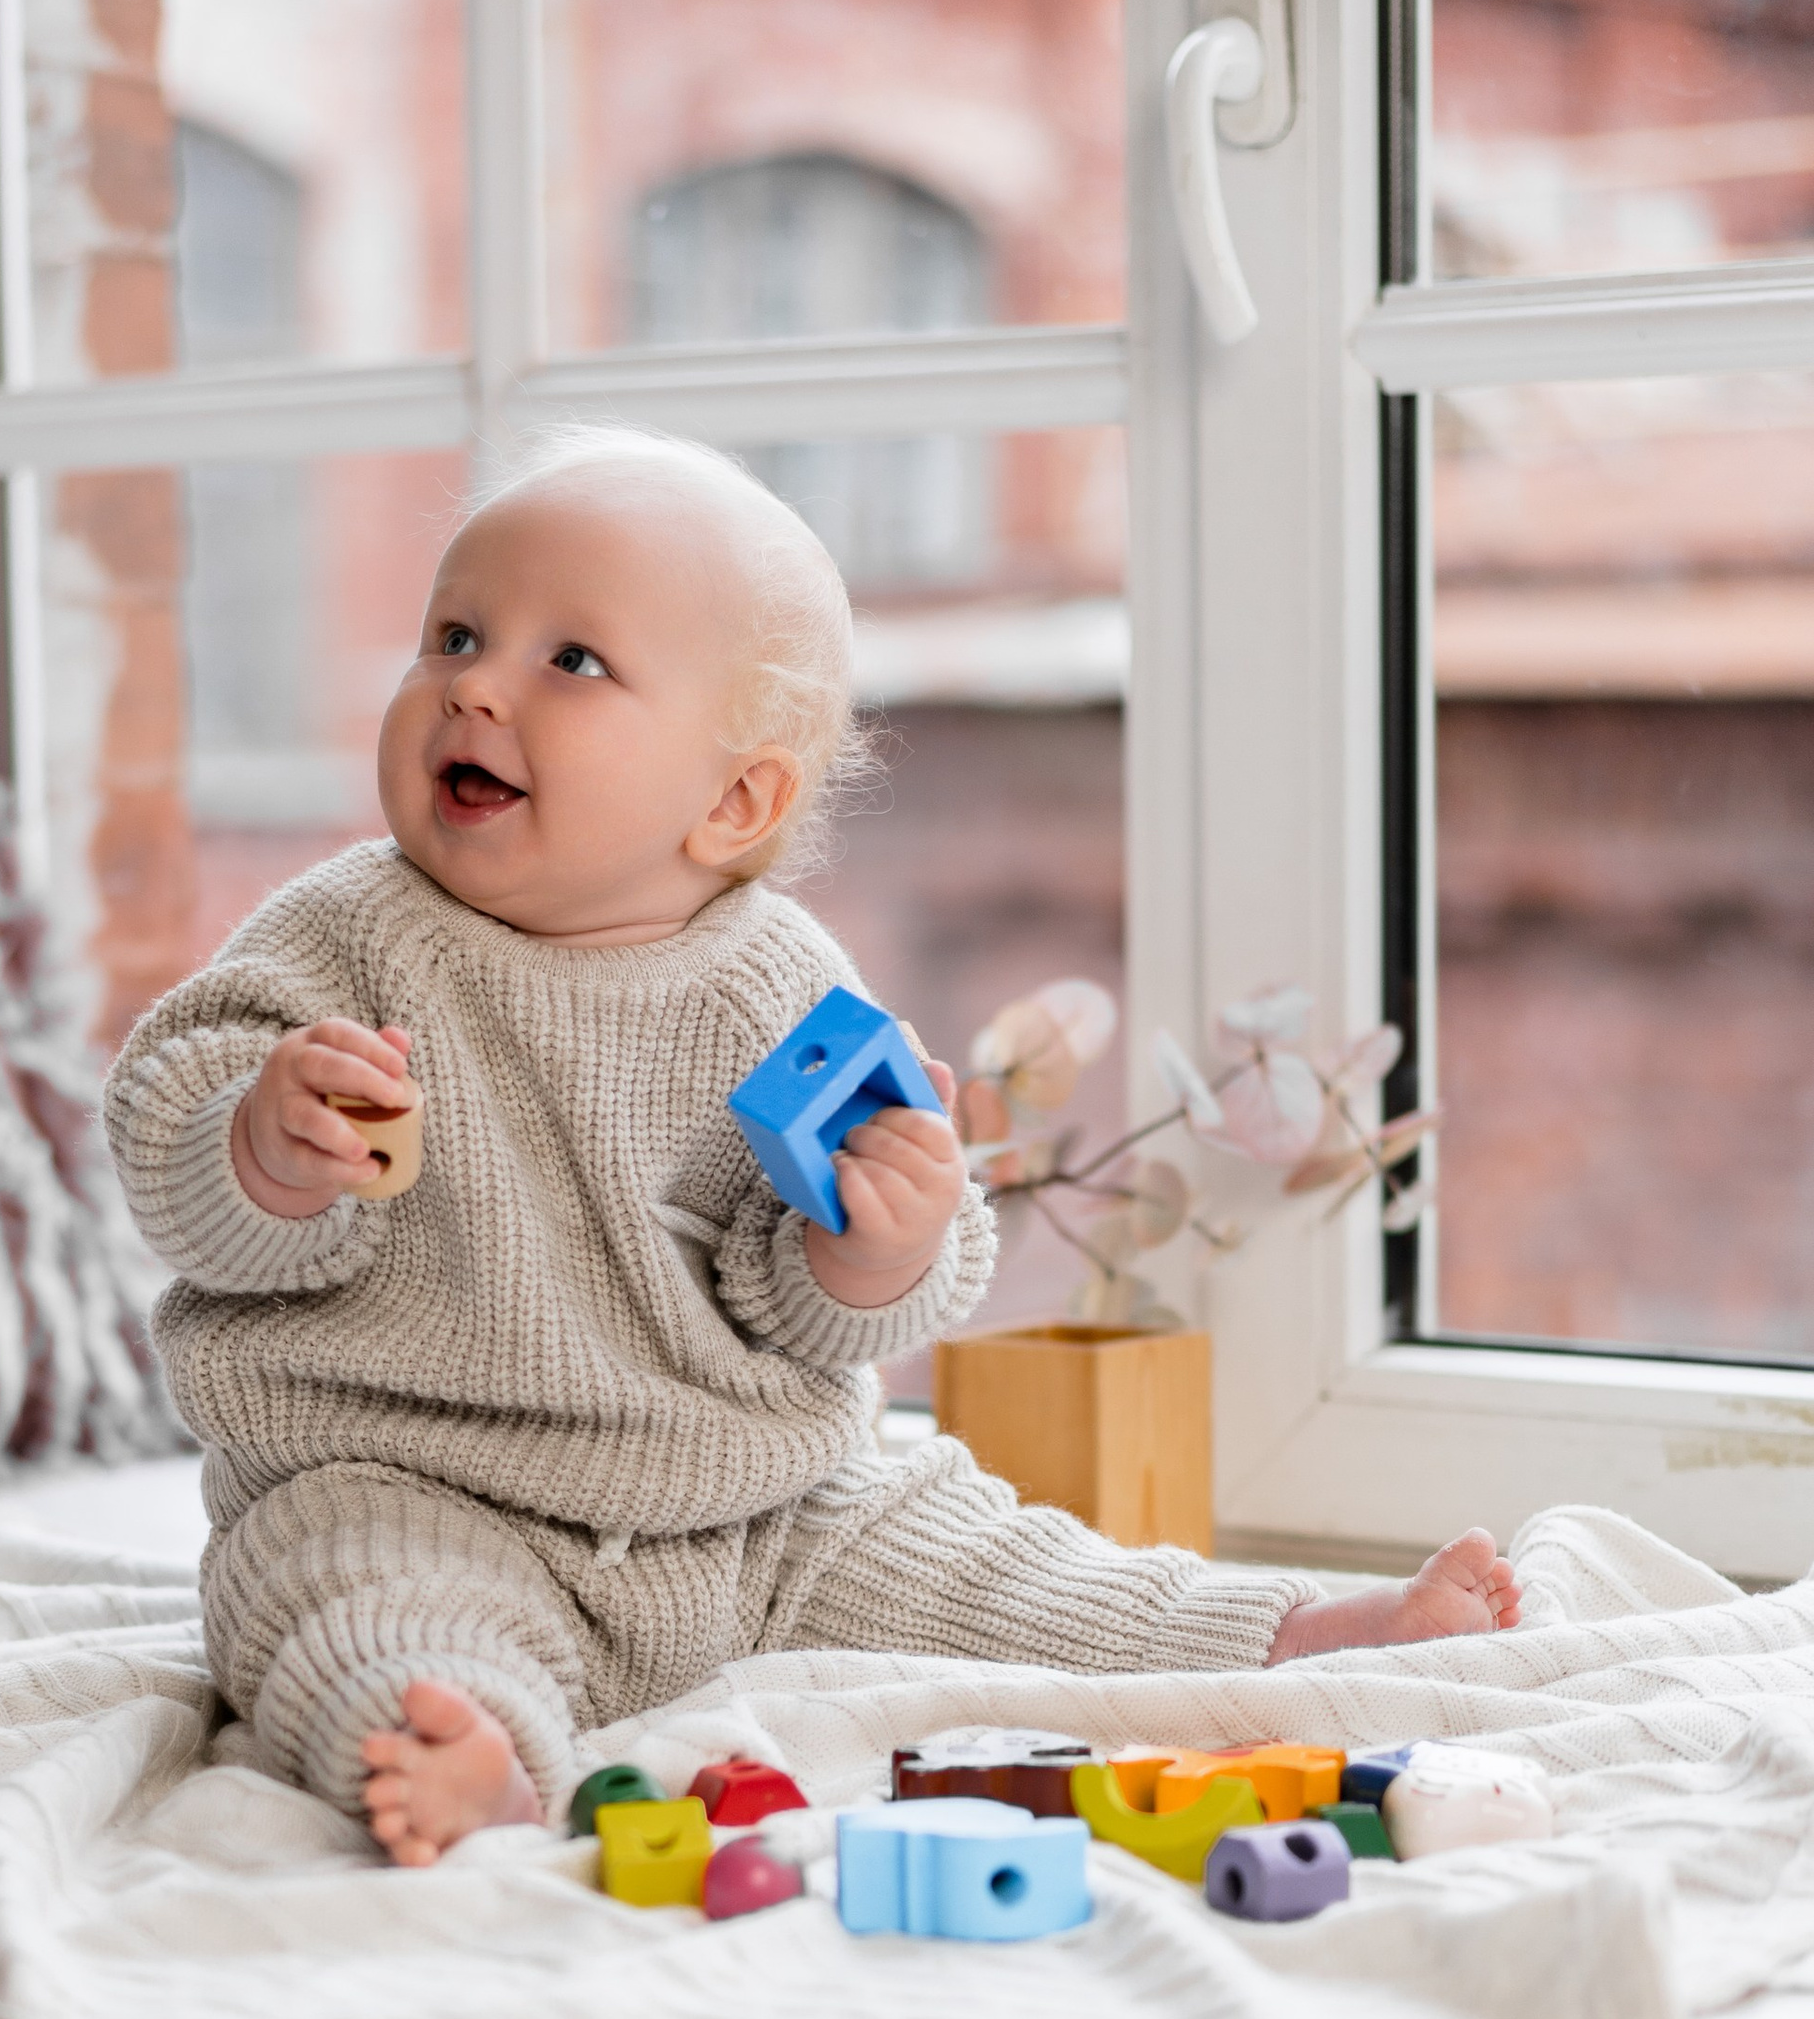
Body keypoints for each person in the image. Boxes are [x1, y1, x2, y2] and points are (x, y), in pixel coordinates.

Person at [108, 427, 1518, 1866]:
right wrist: (261, 1151)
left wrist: (877, 1244)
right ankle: (463, 1746)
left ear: (735, 802)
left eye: (570, 662)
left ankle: (1282, 1634)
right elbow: (168, 1137)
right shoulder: (343, 934)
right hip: (422, 1488)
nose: (474, 682)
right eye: (455, 635)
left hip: (763, 1510)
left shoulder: (775, 985)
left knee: (985, 1547)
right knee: (337, 1592)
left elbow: (811, 1302)